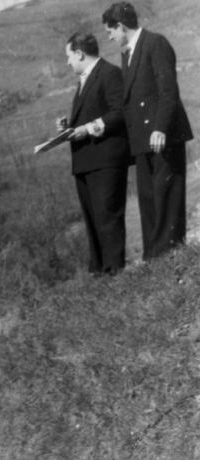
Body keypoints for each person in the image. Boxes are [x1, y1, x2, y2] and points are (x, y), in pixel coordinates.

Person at [103, 2, 193, 260]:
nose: (110, 37)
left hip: (162, 136)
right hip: (142, 140)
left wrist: (160, 128)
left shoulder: (156, 43)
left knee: (167, 198)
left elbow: (168, 92)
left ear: (121, 26)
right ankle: (154, 257)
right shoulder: (127, 53)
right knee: (148, 200)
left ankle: (170, 255)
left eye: (110, 31)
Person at [57, 32, 129, 275]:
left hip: (106, 160)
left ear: (79, 53)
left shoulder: (109, 74)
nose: (68, 62)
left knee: (108, 216)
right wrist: (68, 128)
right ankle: (101, 272)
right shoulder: (85, 80)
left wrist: (86, 129)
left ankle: (115, 271)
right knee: (94, 219)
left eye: (69, 56)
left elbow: (119, 113)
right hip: (86, 161)